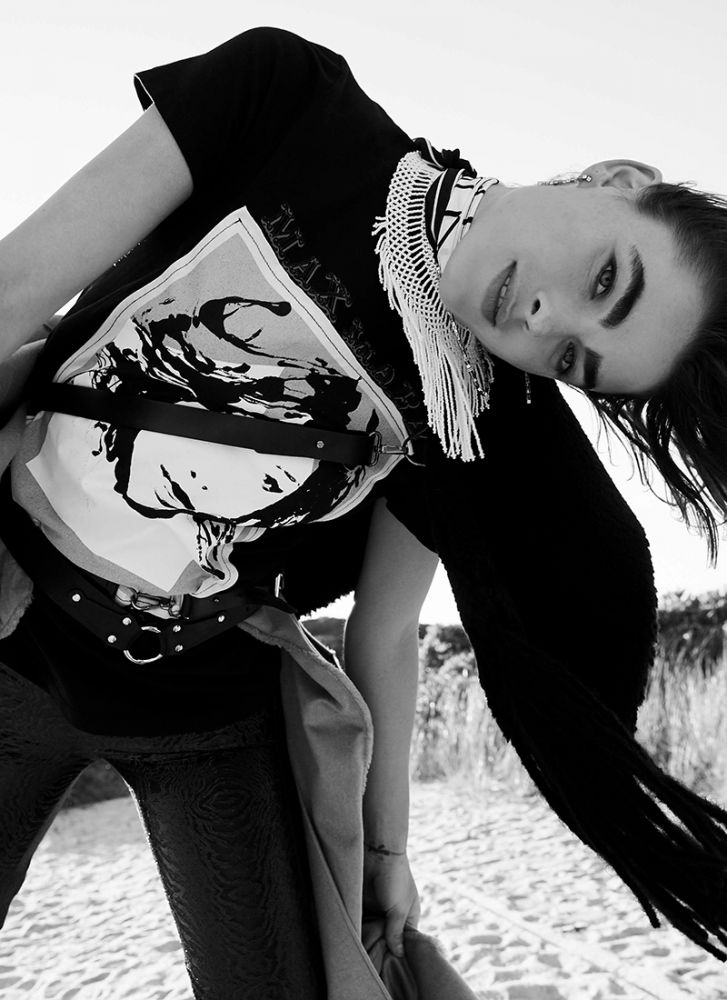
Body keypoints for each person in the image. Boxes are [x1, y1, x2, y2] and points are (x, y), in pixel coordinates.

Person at [0, 24, 726, 1000]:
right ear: (615, 179)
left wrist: (387, 851)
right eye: (605, 277)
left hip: (205, 714)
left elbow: (383, 631)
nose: (544, 319)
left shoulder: (466, 415)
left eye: (572, 361)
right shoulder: (286, 97)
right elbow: (9, 296)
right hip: (12, 638)